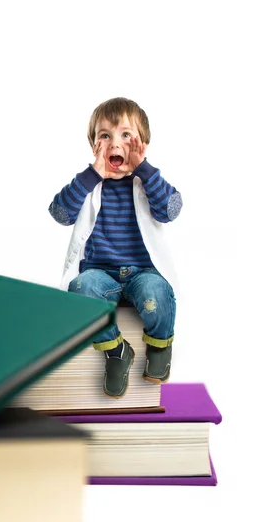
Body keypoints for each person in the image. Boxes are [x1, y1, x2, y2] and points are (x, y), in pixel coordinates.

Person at [49, 97, 182, 397]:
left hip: (142, 271)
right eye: (105, 136)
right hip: (100, 272)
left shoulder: (146, 182)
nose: (115, 143)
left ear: (142, 144)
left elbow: (171, 210)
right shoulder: (90, 184)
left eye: (126, 135)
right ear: (94, 146)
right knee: (80, 290)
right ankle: (116, 351)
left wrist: (145, 170)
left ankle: (160, 346)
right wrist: (90, 175)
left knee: (156, 294)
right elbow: (60, 213)